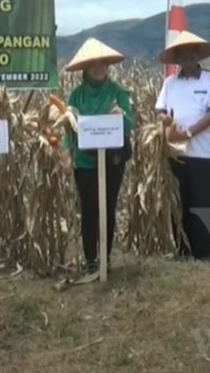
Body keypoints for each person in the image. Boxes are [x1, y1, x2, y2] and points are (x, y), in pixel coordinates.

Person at [61, 39, 134, 275]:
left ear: (107, 66)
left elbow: (129, 124)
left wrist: (121, 115)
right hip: (84, 161)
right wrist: (67, 153)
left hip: (112, 161)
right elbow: (68, 127)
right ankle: (91, 258)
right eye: (93, 65)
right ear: (85, 68)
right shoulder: (76, 96)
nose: (98, 68)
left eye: (102, 64)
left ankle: (106, 257)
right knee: (89, 208)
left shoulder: (118, 92)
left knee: (108, 207)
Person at [154, 31, 210, 262]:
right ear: (177, 59)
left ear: (198, 55)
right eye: (182, 54)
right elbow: (160, 109)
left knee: (203, 202)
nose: (187, 57)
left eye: (191, 53)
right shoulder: (169, 83)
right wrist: (165, 121)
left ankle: (205, 253)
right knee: (180, 202)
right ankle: (184, 251)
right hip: (176, 154)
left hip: (204, 153)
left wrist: (189, 133)